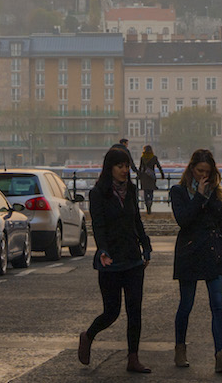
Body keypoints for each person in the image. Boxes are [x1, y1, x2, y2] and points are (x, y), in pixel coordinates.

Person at [78, 148, 153, 374]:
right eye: (120, 166)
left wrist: (146, 246)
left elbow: (136, 220)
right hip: (110, 260)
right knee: (112, 312)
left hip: (132, 258)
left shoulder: (130, 189)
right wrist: (102, 249)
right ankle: (88, 335)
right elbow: (98, 225)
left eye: (127, 166)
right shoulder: (98, 193)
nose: (124, 170)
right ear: (109, 168)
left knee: (134, 310)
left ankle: (133, 358)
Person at [169, 149, 222, 373]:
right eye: (200, 171)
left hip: (213, 252)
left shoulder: (215, 193)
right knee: (186, 304)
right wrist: (199, 195)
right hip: (189, 253)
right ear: (191, 169)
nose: (203, 176)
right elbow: (183, 220)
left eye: (207, 172)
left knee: (218, 305)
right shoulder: (178, 191)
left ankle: (221, 356)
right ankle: (180, 348)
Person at [137, 145, 166, 214]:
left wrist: (139, 175)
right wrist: (162, 174)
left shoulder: (142, 158)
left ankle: (147, 205)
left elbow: (140, 168)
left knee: (145, 192)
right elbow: (159, 166)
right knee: (151, 192)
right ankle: (150, 203)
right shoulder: (154, 157)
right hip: (151, 177)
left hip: (144, 177)